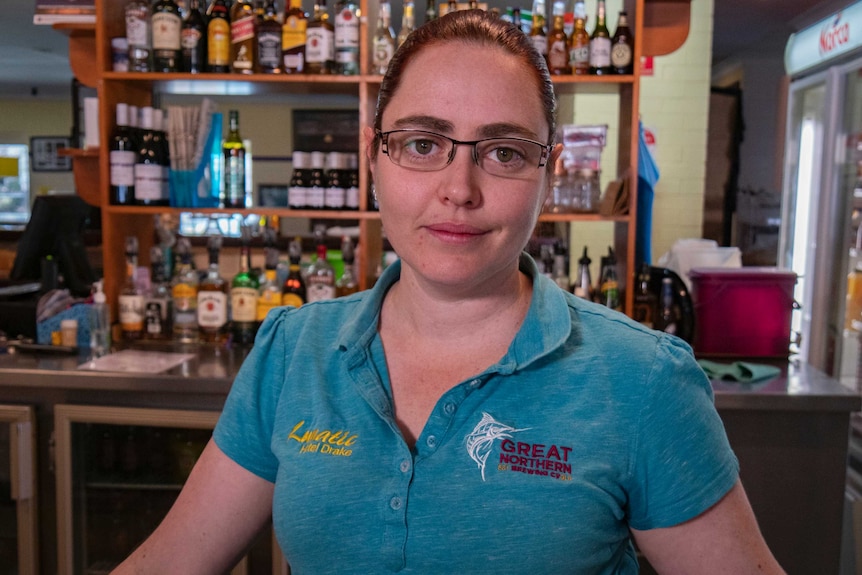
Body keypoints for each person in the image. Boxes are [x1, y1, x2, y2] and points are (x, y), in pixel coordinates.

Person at [113, 9, 784, 574]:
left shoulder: (644, 381)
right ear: (374, 155)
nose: (459, 190)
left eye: (504, 153)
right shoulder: (294, 350)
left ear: (547, 174)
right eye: (423, 143)